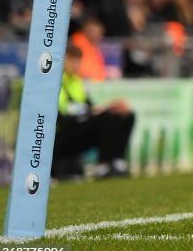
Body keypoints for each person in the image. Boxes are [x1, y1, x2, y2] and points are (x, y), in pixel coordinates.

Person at [52, 44, 135, 180]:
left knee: (126, 116)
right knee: (106, 118)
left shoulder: (77, 82)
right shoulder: (55, 82)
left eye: (78, 61)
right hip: (61, 134)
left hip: (79, 127)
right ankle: (103, 165)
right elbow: (62, 117)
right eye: (71, 60)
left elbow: (89, 108)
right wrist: (91, 113)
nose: (76, 65)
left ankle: (117, 161)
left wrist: (110, 107)